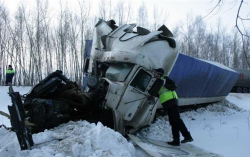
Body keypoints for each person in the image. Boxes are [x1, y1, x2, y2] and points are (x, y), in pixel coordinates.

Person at [153, 68, 193, 146]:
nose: (154, 74)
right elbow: (159, 93)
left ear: (159, 74)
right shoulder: (158, 82)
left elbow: (174, 86)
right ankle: (177, 140)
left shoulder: (164, 79)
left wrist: (165, 84)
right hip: (167, 104)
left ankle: (186, 137)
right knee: (174, 122)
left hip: (172, 101)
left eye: (155, 73)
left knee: (176, 120)